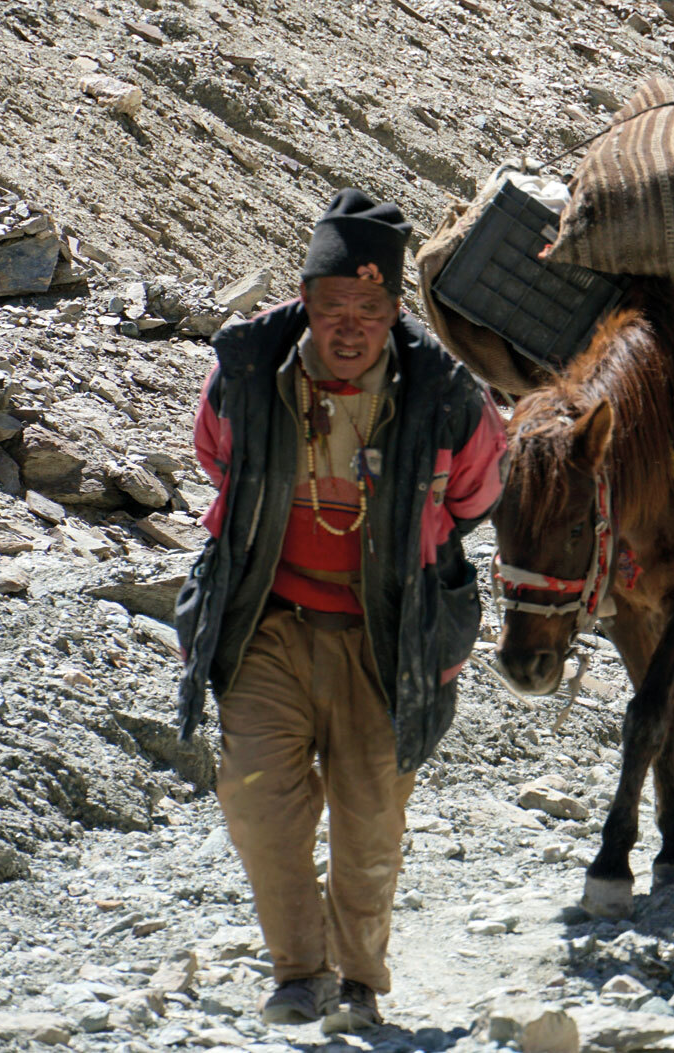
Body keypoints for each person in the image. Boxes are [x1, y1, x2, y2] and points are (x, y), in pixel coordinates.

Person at [173, 189, 505, 1035]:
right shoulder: (248, 368)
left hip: (384, 639)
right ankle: (298, 971)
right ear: (303, 301)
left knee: (369, 819)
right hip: (267, 625)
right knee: (257, 804)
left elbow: (475, 495)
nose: (348, 326)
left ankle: (359, 979)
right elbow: (217, 458)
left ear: (394, 311)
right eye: (331, 307)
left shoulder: (444, 392)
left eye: (367, 308)